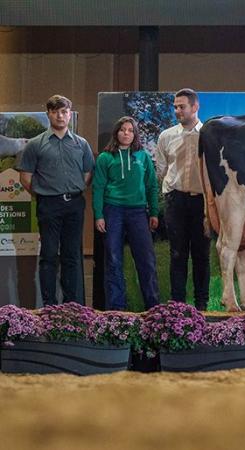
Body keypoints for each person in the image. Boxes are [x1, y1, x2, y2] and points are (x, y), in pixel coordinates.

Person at [16, 94, 94, 305]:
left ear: (69, 114)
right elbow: (25, 178)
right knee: (49, 256)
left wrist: (71, 190)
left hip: (75, 205)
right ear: (48, 114)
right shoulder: (34, 144)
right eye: (56, 111)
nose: (60, 116)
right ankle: (49, 307)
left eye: (64, 111)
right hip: (48, 205)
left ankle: (72, 306)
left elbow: (88, 174)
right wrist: (45, 192)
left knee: (71, 256)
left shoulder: (81, 144)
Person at [93, 116, 160, 311]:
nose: (126, 133)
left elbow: (151, 185)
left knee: (146, 260)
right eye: (123, 129)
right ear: (116, 133)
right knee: (113, 259)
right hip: (112, 210)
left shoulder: (142, 156)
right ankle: (116, 309)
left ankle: (153, 307)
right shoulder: (105, 157)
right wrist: (99, 215)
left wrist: (154, 212)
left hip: (138, 212)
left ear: (135, 134)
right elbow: (98, 187)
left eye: (130, 130)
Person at [155, 88, 210, 311]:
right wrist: (170, 192)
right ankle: (177, 307)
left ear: (195, 107)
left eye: (182, 106)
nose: (178, 110)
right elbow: (161, 169)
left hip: (201, 202)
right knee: (177, 254)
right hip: (175, 201)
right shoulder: (166, 136)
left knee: (201, 254)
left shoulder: (208, 135)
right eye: (175, 107)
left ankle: (202, 306)